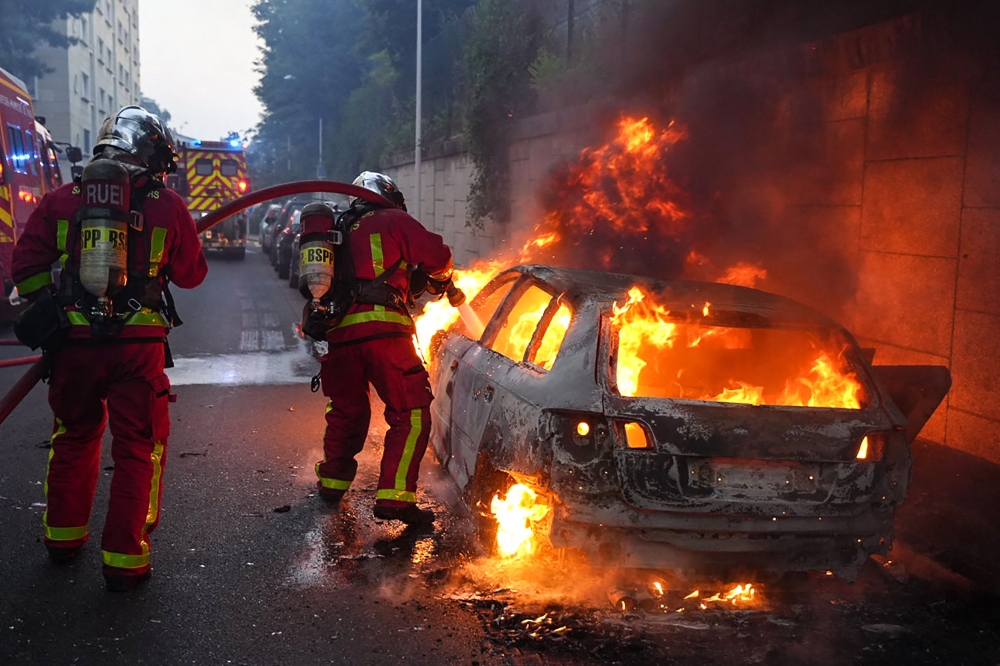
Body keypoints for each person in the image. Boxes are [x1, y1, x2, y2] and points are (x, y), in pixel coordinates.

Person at [11, 106, 208, 591]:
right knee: (138, 448)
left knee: (74, 438)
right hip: (137, 348)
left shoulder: (63, 198)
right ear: (152, 153)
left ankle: (62, 538)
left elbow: (26, 266)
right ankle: (125, 558)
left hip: (74, 345)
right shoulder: (167, 205)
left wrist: (52, 305)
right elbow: (192, 275)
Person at [314, 171, 454, 526]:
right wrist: (442, 279)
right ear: (390, 196)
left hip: (340, 337)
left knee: (347, 411)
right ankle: (395, 499)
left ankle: (331, 482)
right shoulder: (394, 219)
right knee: (412, 412)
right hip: (384, 333)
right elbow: (438, 256)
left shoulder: (337, 230)